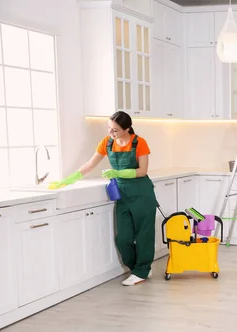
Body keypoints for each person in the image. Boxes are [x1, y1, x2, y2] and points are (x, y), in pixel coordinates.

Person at [49, 111, 158, 286]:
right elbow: (89, 165)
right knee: (123, 238)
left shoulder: (139, 142)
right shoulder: (107, 143)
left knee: (144, 235)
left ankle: (142, 271)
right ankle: (139, 268)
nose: (111, 133)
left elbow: (142, 171)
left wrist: (118, 172)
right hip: (122, 195)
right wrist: (67, 180)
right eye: (109, 128)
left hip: (142, 194)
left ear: (127, 129)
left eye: (115, 130)